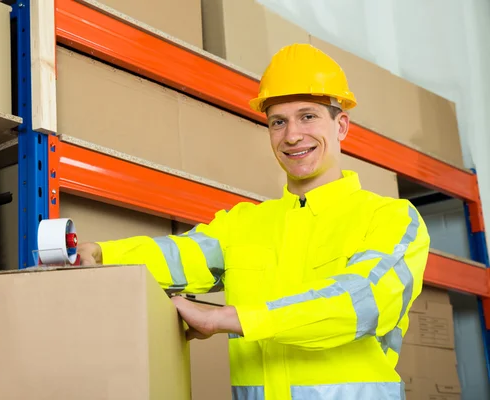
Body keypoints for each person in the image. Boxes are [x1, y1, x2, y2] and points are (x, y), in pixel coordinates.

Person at [78, 43, 430, 400]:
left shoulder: (392, 218)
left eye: (308, 116)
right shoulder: (244, 224)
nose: (292, 135)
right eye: (279, 122)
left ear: (341, 126)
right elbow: (176, 255)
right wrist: (101, 253)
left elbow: (362, 302)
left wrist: (228, 318)